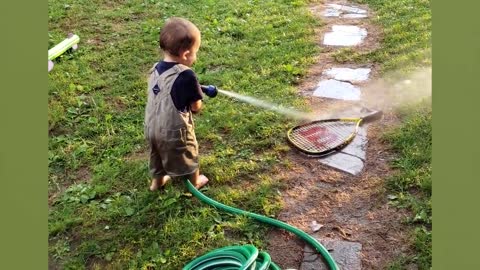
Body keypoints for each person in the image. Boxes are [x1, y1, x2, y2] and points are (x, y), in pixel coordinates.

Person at [144, 17, 211, 191]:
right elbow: (195, 107)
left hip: (151, 127)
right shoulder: (187, 76)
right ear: (186, 54)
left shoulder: (156, 69)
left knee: (156, 155)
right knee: (188, 153)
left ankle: (157, 183)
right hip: (173, 131)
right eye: (196, 52)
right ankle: (194, 181)